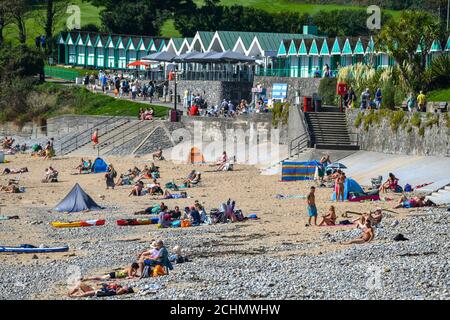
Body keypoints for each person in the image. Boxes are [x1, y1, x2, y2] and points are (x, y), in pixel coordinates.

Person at [68, 283, 133, 298]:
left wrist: (122, 289)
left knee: (85, 294)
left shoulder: (122, 291)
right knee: (80, 284)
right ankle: (71, 293)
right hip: (97, 290)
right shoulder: (117, 288)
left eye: (126, 287)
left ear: (126, 290)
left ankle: (73, 296)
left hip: (98, 292)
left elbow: (118, 293)